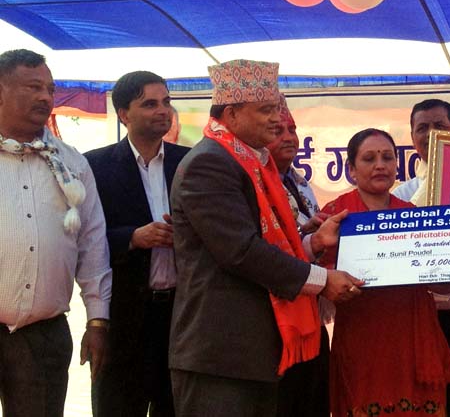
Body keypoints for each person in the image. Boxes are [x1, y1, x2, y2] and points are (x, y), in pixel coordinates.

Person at [168, 59, 362, 417]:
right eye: (267, 110)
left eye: (278, 108)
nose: (277, 118)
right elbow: (241, 252)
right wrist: (322, 281)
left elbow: (269, 247)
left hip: (254, 353)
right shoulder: (209, 164)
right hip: (221, 354)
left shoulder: (254, 164)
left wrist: (314, 244)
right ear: (231, 114)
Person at [0, 48, 112, 416]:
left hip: (43, 336)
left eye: (49, 88)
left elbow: (93, 246)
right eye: (33, 87)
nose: (46, 97)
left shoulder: (71, 163)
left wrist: (97, 321)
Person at [322, 128, 450, 417]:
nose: (380, 165)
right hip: (363, 338)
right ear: (351, 169)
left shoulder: (410, 214)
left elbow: (443, 285)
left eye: (387, 157)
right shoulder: (335, 214)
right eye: (369, 158)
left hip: (412, 337)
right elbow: (318, 277)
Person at [85, 71, 191, 417]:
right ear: (123, 114)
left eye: (166, 102)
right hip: (124, 315)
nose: (163, 111)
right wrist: (132, 237)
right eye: (149, 103)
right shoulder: (94, 166)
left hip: (180, 315)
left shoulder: (189, 163)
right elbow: (79, 238)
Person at [392, 98, 450, 417]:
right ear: (412, 138)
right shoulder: (401, 197)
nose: (430, 134)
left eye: (439, 126)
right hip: (425, 321)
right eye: (422, 128)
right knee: (435, 407)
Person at [268, 94, 330, 417]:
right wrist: (310, 237)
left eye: (292, 130)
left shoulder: (300, 182)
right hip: (278, 323)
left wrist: (312, 233)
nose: (289, 138)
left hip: (311, 313)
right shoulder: (256, 182)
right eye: (278, 131)